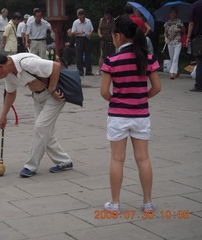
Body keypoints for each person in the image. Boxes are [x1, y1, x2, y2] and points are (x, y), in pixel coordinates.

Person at [100, 15, 161, 213]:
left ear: (118, 36)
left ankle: (115, 203)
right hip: (141, 115)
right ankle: (148, 202)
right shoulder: (147, 57)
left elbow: (104, 92)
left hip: (118, 115)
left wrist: (116, 100)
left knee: (117, 159)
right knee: (143, 158)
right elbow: (157, 88)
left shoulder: (111, 60)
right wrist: (141, 98)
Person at [0, 51, 73, 177]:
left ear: (0, 67)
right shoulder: (8, 73)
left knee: (40, 128)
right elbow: (10, 93)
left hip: (55, 96)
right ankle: (64, 161)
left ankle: (31, 166)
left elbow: (55, 66)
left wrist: (52, 89)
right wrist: (3, 116)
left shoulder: (26, 63)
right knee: (45, 132)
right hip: (38, 97)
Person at [71, 9, 94, 76]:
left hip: (87, 38)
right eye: (79, 18)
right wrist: (79, 32)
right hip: (79, 38)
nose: (81, 19)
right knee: (79, 55)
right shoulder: (76, 22)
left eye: (82, 18)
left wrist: (90, 33)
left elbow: (92, 29)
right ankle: (80, 71)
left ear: (84, 16)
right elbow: (72, 32)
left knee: (88, 55)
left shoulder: (88, 21)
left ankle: (88, 71)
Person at [164, 7, 184, 79]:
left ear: (176, 13)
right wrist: (166, 38)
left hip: (178, 42)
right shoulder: (167, 22)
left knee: (175, 58)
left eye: (174, 12)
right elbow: (165, 32)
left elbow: (183, 30)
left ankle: (172, 73)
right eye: (171, 12)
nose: (172, 14)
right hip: (170, 42)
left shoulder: (179, 21)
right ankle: (177, 70)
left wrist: (178, 30)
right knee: (172, 58)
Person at [187, 0, 202, 92]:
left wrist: (188, 36)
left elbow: (191, 23)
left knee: (200, 61)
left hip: (198, 38)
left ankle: (199, 86)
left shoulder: (196, 5)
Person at [97, 8, 115, 75]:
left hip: (110, 39)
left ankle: (111, 69)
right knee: (102, 55)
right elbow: (99, 28)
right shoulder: (102, 20)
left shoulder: (113, 21)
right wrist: (99, 34)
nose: (107, 16)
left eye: (108, 15)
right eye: (106, 15)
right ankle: (99, 69)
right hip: (103, 39)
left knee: (111, 55)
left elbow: (114, 31)